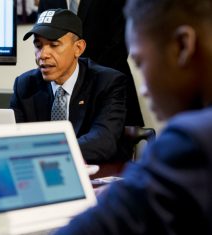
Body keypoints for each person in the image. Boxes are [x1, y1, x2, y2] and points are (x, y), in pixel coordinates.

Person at [53, 0, 212, 234]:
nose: (144, 89)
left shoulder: (193, 141)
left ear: (182, 46)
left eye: (140, 62)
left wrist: (122, 201)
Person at [10, 9, 130, 164]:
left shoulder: (107, 82)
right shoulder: (24, 85)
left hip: (96, 175)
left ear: (78, 48)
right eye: (38, 45)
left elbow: (103, 140)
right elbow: (13, 138)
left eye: (54, 45)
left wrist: (49, 153)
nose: (43, 54)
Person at [37, 0, 144, 127]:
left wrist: (82, 78)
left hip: (107, 88)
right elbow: (42, 35)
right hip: (62, 96)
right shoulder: (26, 86)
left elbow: (119, 43)